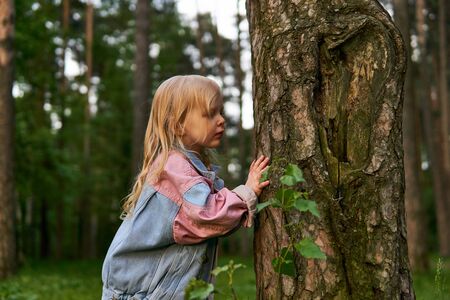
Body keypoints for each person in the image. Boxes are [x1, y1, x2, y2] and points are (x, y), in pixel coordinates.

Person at [101, 75, 270, 300]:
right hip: (143, 294)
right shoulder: (174, 167)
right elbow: (207, 216)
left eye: (220, 111)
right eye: (210, 114)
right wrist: (247, 191)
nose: (221, 120)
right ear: (178, 124)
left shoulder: (185, 165)